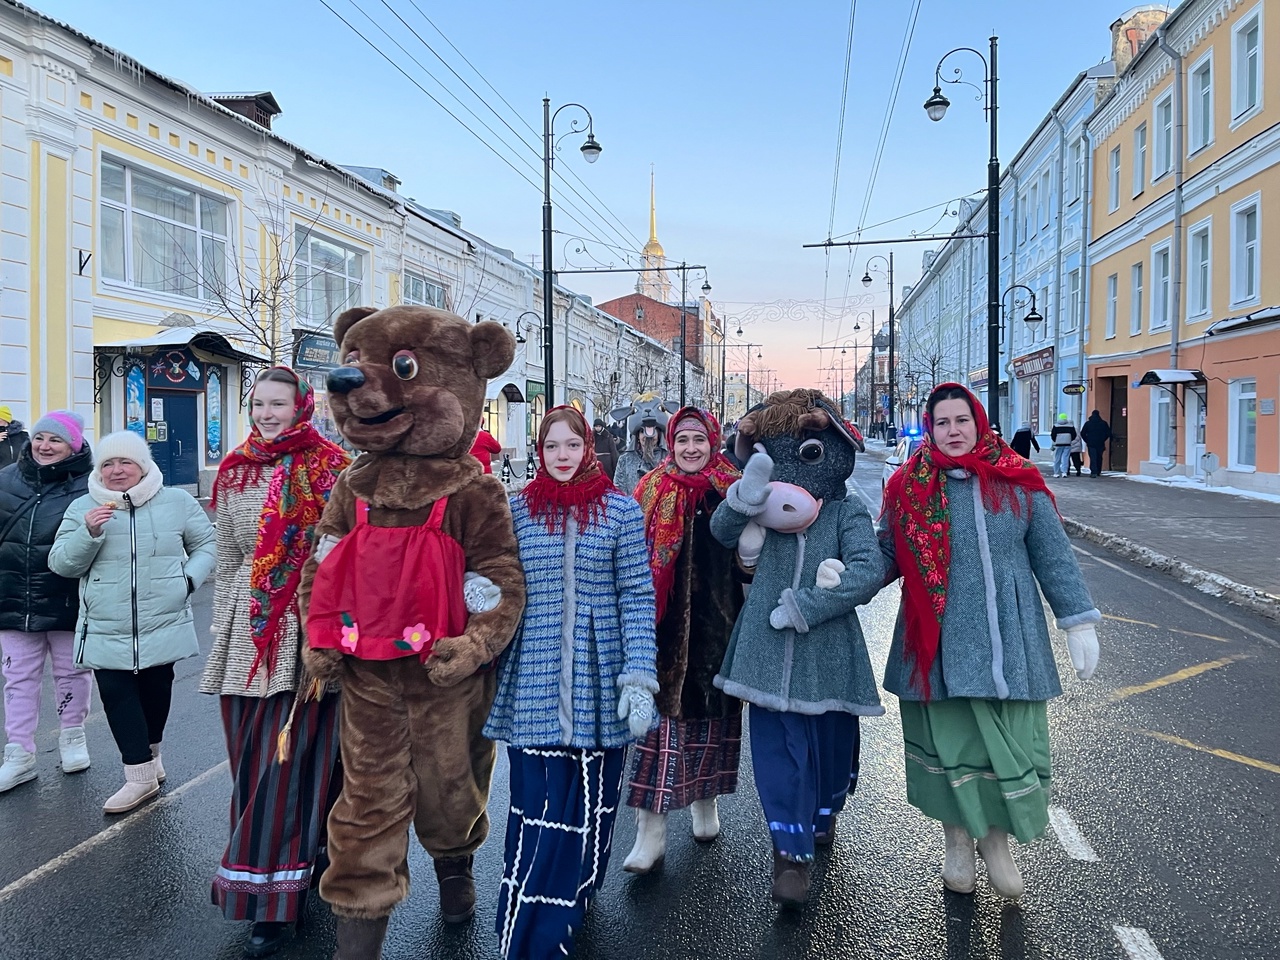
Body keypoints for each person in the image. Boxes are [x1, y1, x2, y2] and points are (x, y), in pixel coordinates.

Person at [878, 383, 1101, 899]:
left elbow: (1053, 554)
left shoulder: (1017, 479)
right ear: (930, 429)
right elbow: (887, 555)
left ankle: (996, 841)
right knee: (950, 741)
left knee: (1011, 743)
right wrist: (843, 578)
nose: (952, 431)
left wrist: (1077, 619)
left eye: (961, 420)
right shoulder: (909, 486)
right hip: (936, 643)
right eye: (942, 423)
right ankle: (957, 841)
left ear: (978, 422)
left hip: (1011, 640)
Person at [485, 406, 658, 960]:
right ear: (540, 452)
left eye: (572, 444)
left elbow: (637, 597)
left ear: (588, 448)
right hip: (532, 675)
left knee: (589, 804)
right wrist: (480, 593)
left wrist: (639, 677)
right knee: (538, 806)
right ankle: (532, 934)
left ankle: (576, 895)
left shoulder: (620, 511)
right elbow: (499, 579)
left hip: (599, 677)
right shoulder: (517, 510)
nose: (562, 455)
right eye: (551, 446)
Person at [202, 368, 350, 958]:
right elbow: (228, 556)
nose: (266, 414)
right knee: (250, 763)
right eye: (259, 404)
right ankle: (307, 859)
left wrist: (329, 634)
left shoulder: (332, 468)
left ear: (301, 407)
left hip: (305, 629)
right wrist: (224, 631)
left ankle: (269, 898)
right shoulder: (235, 469)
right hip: (246, 634)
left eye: (278, 404)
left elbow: (344, 557)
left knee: (285, 764)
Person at [49, 431, 216, 814]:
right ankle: (138, 775)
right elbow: (61, 564)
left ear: (142, 465)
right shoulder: (83, 507)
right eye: (108, 463)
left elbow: (206, 545)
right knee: (116, 693)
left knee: (157, 690)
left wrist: (187, 581)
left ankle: (152, 757)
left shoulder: (176, 501)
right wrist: (89, 533)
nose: (117, 470)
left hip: (162, 618)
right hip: (105, 622)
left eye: (125, 462)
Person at [623, 407, 744, 873]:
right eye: (682, 440)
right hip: (662, 632)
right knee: (658, 735)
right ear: (670, 443)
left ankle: (705, 804)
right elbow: (631, 558)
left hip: (719, 632)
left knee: (711, 726)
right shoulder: (651, 488)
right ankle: (649, 834)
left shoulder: (732, 489)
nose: (691, 448)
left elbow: (752, 560)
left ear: (713, 442)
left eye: (699, 440)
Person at [0, 411, 94, 792]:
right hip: (12, 596)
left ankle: (73, 736)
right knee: (18, 678)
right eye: (40, 437)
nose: (44, 446)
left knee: (72, 672)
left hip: (67, 598)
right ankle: (18, 753)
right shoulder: (6, 479)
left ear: (73, 446)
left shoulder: (91, 485)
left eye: (56, 440)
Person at [615, 417, 668, 491]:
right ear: (638, 436)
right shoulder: (625, 460)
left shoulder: (668, 458)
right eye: (642, 431)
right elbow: (618, 489)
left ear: (658, 434)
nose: (647, 436)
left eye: (653, 431)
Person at [1080, 410, 1111, 478]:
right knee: (1099, 457)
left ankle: (1093, 472)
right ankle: (1098, 471)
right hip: (1100, 443)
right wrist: (1103, 439)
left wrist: (1087, 440)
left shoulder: (1088, 423)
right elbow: (1108, 433)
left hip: (1091, 443)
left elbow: (1082, 433)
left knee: (1093, 458)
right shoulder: (1103, 423)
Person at [0, 405, 30, 470]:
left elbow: (29, 454)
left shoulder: (22, 435)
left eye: (0, 421)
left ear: (7, 421)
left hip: (19, 472)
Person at [1049, 412, 1077, 478]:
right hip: (1067, 444)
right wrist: (1069, 440)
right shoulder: (1070, 426)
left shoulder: (1056, 426)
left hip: (1058, 444)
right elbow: (1074, 435)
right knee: (1065, 458)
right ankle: (1064, 472)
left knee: (1057, 458)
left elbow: (1053, 435)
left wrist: (1056, 441)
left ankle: (1056, 472)